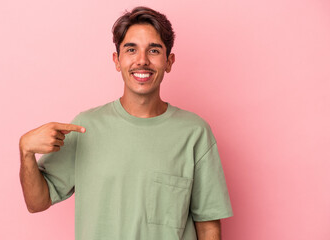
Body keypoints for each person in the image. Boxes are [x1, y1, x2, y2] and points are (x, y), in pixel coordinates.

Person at [19, 6, 233, 240]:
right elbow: (36, 202)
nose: (142, 61)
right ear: (117, 60)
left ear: (169, 61)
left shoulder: (195, 133)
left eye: (153, 50)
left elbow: (209, 225)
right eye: (131, 49)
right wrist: (26, 151)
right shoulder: (85, 127)